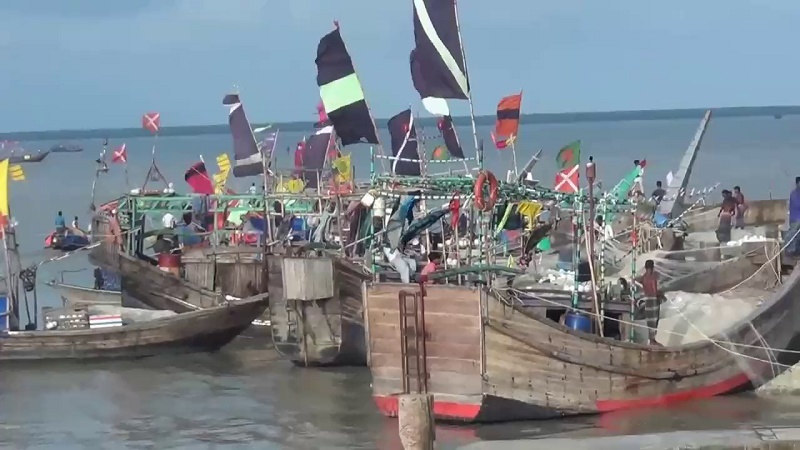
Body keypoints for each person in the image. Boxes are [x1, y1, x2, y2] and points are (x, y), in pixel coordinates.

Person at [636, 259, 661, 345]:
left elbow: (636, 281)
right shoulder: (653, 276)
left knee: (650, 320)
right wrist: (660, 295)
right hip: (653, 300)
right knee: (654, 319)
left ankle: (651, 339)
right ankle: (652, 340)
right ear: (652, 267)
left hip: (647, 299)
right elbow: (654, 290)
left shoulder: (643, 277)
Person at [787, 177, 800, 256]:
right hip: (795, 218)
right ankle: (790, 250)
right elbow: (797, 204)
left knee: (798, 236)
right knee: (793, 234)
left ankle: (797, 250)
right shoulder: (794, 194)